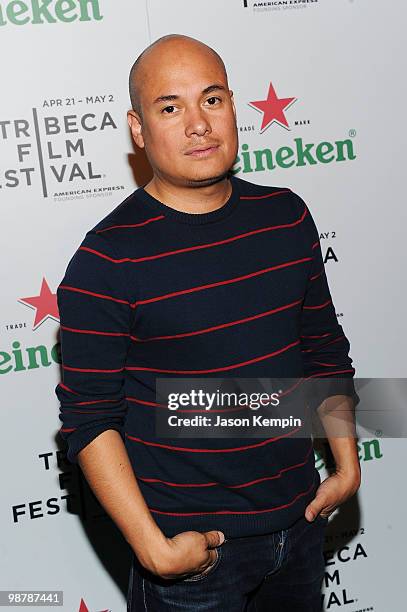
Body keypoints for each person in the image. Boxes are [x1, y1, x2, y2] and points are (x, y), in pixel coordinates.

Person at [55, 34, 361, 611]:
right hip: (195, 556)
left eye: (211, 99)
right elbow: (90, 418)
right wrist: (154, 549)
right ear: (138, 130)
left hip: (301, 523)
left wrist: (345, 464)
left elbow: (323, 348)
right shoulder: (106, 260)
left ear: (233, 108)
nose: (198, 123)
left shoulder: (285, 217)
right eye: (170, 107)